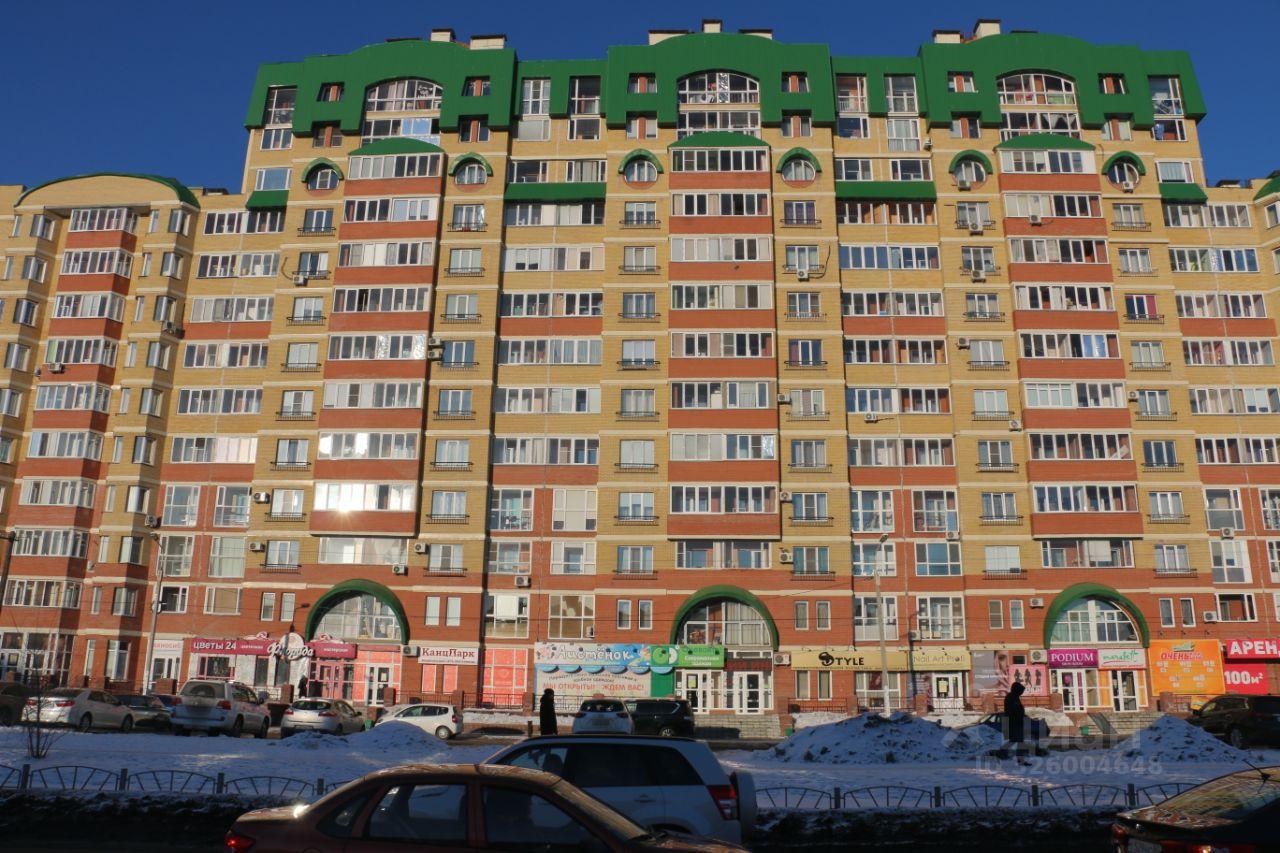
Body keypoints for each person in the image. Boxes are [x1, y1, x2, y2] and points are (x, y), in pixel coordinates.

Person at [1003, 681, 1031, 766]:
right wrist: (1020, 716)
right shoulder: (1011, 697)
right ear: (1017, 690)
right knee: (1019, 741)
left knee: (1015, 740)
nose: (1021, 693)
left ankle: (1002, 753)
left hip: (1016, 722)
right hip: (1014, 722)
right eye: (1020, 691)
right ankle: (1019, 759)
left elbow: (1017, 710)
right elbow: (1014, 711)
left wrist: (1023, 716)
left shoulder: (1014, 697)